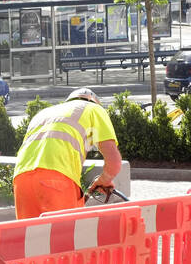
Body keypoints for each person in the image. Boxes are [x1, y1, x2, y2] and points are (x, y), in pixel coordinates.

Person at [13, 88, 122, 219]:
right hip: (56, 179)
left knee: (30, 236)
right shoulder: (94, 109)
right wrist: (104, 180)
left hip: (21, 179)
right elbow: (114, 163)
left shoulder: (44, 113)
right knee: (66, 236)